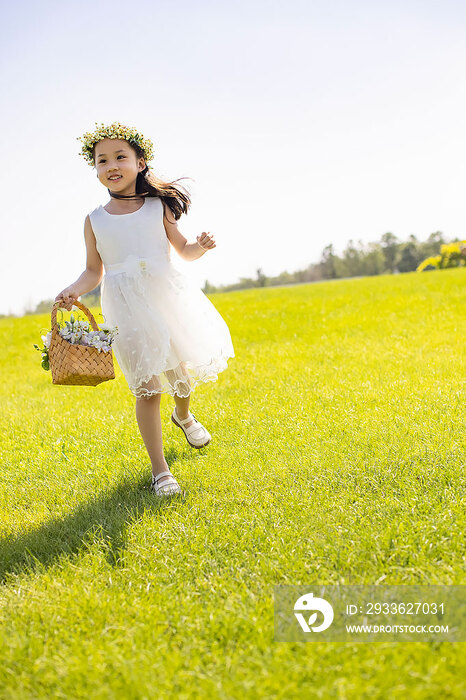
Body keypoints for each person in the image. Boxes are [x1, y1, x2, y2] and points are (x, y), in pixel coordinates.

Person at [55, 121, 235, 498]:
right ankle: (161, 471)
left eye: (120, 156)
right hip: (124, 305)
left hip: (165, 293)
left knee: (180, 369)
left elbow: (183, 251)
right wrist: (73, 289)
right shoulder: (95, 220)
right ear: (96, 169)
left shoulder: (159, 206)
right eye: (102, 160)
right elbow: (93, 270)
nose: (111, 165)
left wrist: (199, 247)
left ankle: (183, 415)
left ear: (140, 163)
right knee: (147, 387)